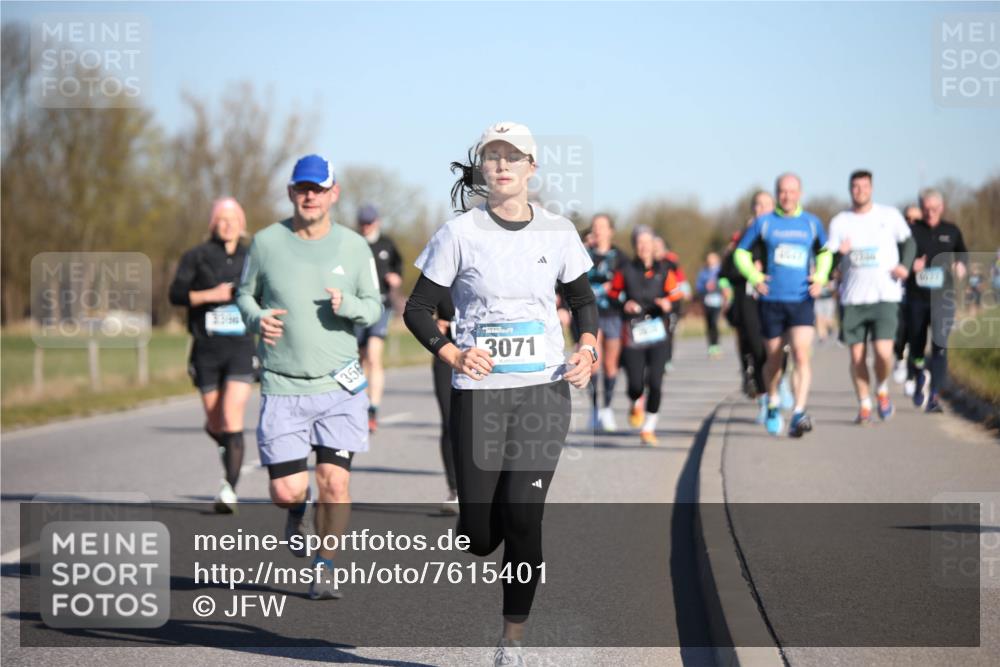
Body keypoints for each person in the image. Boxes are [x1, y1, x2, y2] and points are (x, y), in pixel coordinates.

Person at [403, 121, 597, 666]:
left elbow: (584, 300)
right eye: (493, 156)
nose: (503, 165)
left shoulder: (558, 232)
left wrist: (587, 348)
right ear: (482, 169)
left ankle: (512, 643)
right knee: (480, 536)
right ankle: (473, 522)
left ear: (532, 168)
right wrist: (453, 353)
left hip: (543, 392)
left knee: (524, 519)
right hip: (480, 393)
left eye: (514, 156)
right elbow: (417, 309)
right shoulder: (458, 233)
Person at [236, 154, 382, 599]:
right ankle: (294, 511)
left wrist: (349, 307)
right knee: (286, 489)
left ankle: (325, 567)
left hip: (340, 386)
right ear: (291, 193)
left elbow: (374, 307)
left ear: (334, 193)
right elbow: (244, 294)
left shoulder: (355, 246)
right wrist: (257, 318)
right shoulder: (265, 242)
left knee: (335, 482)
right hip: (282, 384)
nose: (310, 196)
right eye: (303, 188)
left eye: (318, 189)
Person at [169, 197, 256, 513]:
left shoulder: (253, 256)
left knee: (233, 415)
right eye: (222, 218)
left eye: (234, 218)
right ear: (213, 223)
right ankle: (227, 449)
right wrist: (212, 295)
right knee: (215, 421)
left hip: (241, 347)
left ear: (242, 223)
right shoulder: (196, 256)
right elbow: (176, 294)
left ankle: (229, 488)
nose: (228, 223)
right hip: (206, 349)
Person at [735, 173, 833, 437]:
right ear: (777, 193)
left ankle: (799, 411)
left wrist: (821, 277)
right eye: (782, 191)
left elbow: (825, 252)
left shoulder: (811, 223)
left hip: (801, 299)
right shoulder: (764, 223)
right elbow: (740, 252)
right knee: (774, 360)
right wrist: (754, 277)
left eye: (792, 191)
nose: (787, 196)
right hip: (772, 301)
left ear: (800, 193)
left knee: (801, 354)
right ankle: (773, 402)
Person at [826, 170, 915, 424]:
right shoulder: (840, 221)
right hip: (853, 299)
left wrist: (905, 266)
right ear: (849, 189)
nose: (860, 191)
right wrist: (836, 255)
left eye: (864, 186)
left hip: (885, 294)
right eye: (855, 186)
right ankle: (865, 403)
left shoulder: (889, 216)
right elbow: (827, 258)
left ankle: (882, 389)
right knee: (856, 358)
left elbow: (909, 243)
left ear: (872, 189)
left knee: (883, 353)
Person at [608, 226, 679, 445]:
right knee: (635, 384)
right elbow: (612, 294)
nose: (644, 247)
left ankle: (649, 426)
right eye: (640, 243)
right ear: (635, 246)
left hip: (658, 332)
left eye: (647, 243)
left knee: (655, 382)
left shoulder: (665, 270)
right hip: (633, 334)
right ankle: (635, 401)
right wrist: (624, 303)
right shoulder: (625, 270)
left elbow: (677, 295)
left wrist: (668, 304)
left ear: (654, 246)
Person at [904, 188, 968, 413]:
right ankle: (920, 374)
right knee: (917, 347)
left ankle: (934, 396)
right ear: (921, 208)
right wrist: (912, 266)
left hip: (943, 298)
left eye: (934, 208)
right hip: (916, 299)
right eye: (925, 209)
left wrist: (960, 266)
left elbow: (962, 253)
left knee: (940, 346)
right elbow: (899, 259)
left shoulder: (951, 231)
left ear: (942, 208)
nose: (930, 213)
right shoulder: (911, 231)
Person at [721, 190, 774, 420]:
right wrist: (750, 270)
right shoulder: (742, 240)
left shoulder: (780, 234)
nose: (760, 209)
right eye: (757, 205)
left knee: (778, 349)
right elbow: (727, 271)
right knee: (757, 349)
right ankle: (765, 399)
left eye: (765, 205)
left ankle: (778, 385)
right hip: (748, 301)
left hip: (776, 299)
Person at [356, 204, 403, 434]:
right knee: (361, 359)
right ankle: (360, 405)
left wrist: (396, 278)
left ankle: (372, 408)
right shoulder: (353, 243)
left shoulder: (387, 244)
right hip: (357, 308)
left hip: (381, 306)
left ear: (377, 221)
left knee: (374, 356)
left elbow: (399, 267)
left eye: (369, 222)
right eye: (362, 223)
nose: (366, 227)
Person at [584, 213, 626, 431]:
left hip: (613, 315)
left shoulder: (620, 256)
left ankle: (607, 408)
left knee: (611, 364)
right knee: (593, 362)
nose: (598, 230)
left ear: (611, 231)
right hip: (590, 315)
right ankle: (593, 410)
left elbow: (628, 283)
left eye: (602, 226)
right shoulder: (583, 254)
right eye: (595, 226)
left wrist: (616, 291)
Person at [432, 292, 459, 513]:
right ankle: (455, 490)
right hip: (449, 353)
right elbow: (417, 307)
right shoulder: (442, 260)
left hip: (490, 351)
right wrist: (434, 324)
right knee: (451, 421)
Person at [893, 205, 924, 385]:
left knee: (915, 333)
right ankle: (899, 358)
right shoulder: (896, 240)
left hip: (918, 295)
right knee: (899, 331)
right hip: (898, 292)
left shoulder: (926, 240)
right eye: (907, 219)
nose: (911, 223)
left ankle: (912, 373)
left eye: (916, 220)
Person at [695, 251, 725, 358]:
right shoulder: (703, 272)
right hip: (707, 301)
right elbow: (698, 286)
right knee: (708, 323)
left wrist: (716, 286)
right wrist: (705, 287)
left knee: (714, 322)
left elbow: (725, 284)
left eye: (713, 258)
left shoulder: (721, 270)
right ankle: (711, 346)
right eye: (709, 259)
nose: (711, 261)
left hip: (718, 300)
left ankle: (716, 345)